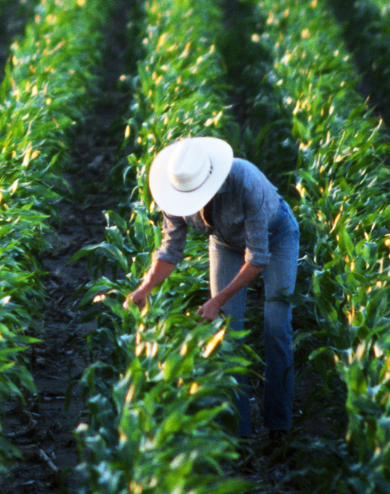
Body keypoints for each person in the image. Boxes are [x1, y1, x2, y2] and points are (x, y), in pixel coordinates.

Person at [124, 136, 299, 439]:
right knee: (226, 333)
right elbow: (170, 251)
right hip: (225, 243)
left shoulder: (246, 182)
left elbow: (257, 259)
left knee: (276, 326)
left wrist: (216, 299)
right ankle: (239, 432)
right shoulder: (173, 190)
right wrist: (145, 288)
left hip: (276, 235)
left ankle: (279, 426)